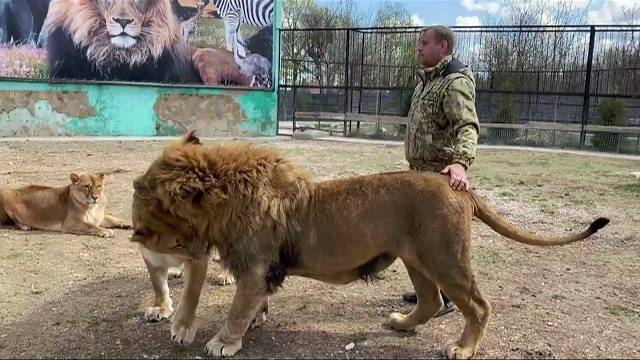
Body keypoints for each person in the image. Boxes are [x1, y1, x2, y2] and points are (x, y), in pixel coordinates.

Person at [401, 25, 480, 317]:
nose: (418, 48)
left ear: (443, 46)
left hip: (438, 179)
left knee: (438, 244)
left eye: (424, 42)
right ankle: (429, 294)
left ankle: (448, 298)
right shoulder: (425, 81)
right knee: (416, 241)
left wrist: (460, 161)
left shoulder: (453, 81)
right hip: (418, 175)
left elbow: (467, 126)